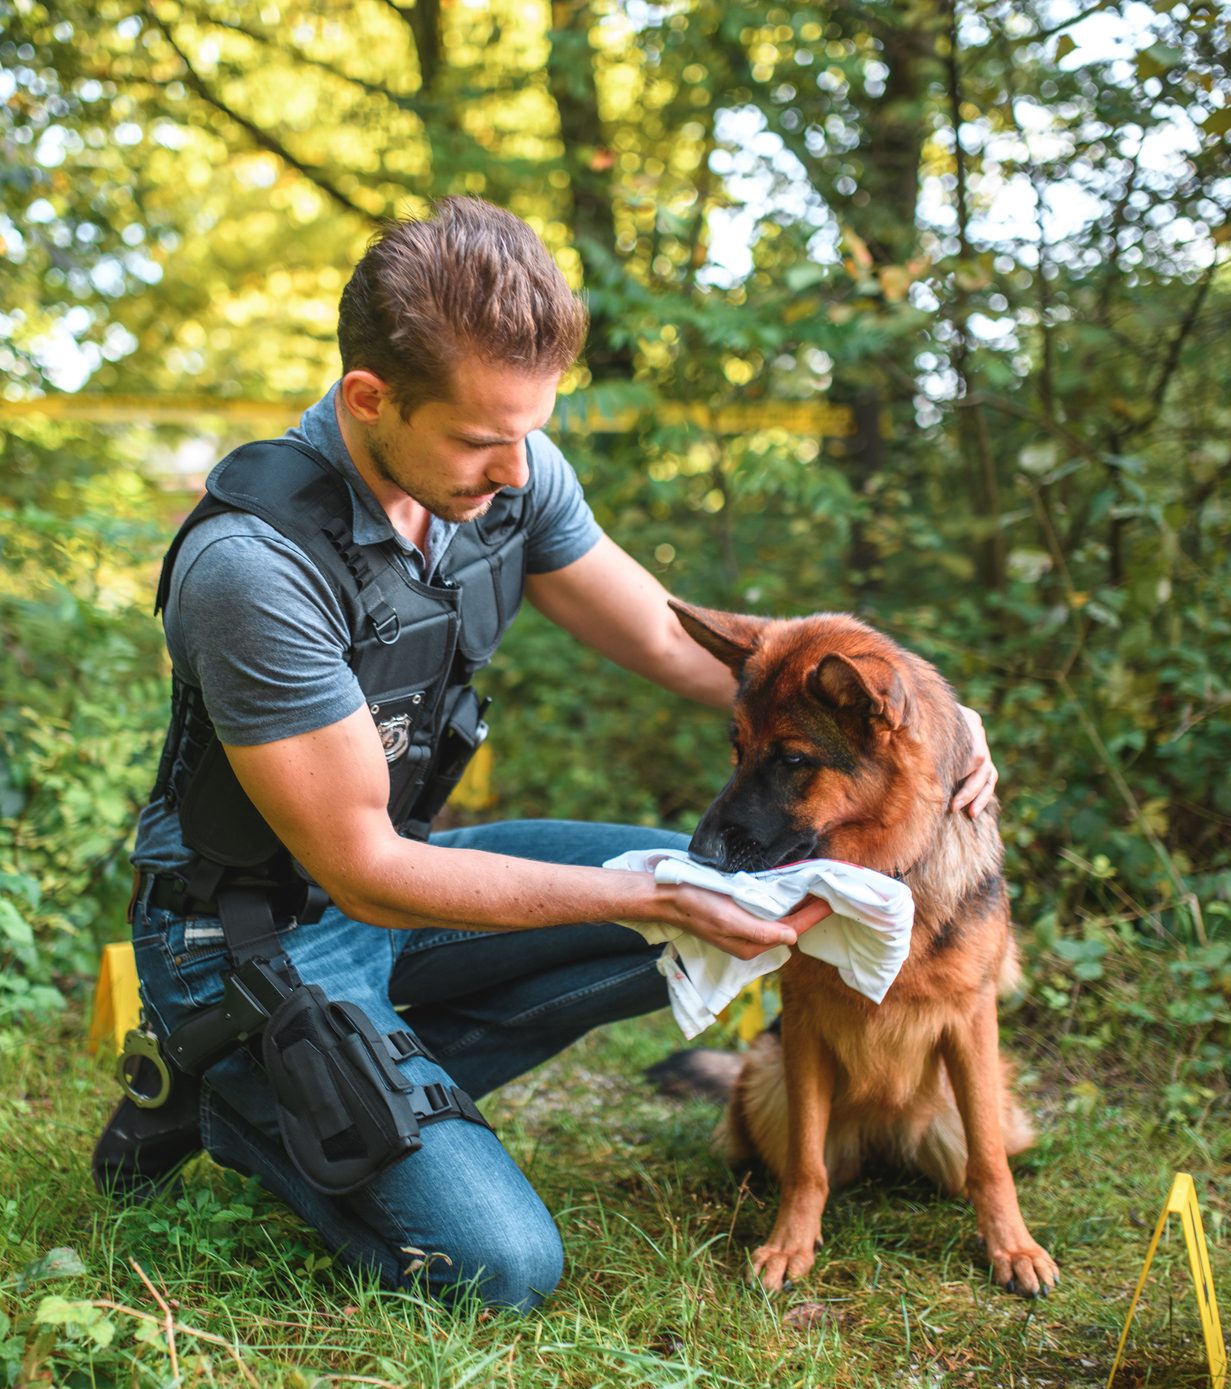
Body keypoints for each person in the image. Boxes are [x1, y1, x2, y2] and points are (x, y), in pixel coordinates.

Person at [92, 196, 997, 1313]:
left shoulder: (505, 466)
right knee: (503, 1268)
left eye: (532, 431)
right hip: (253, 937)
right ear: (369, 398)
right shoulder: (254, 567)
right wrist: (661, 902)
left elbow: (680, 640)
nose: (519, 473)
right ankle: (239, 1088)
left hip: (393, 894)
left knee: (729, 884)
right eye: (483, 441)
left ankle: (364, 1079)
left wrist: (923, 716)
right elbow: (361, 865)